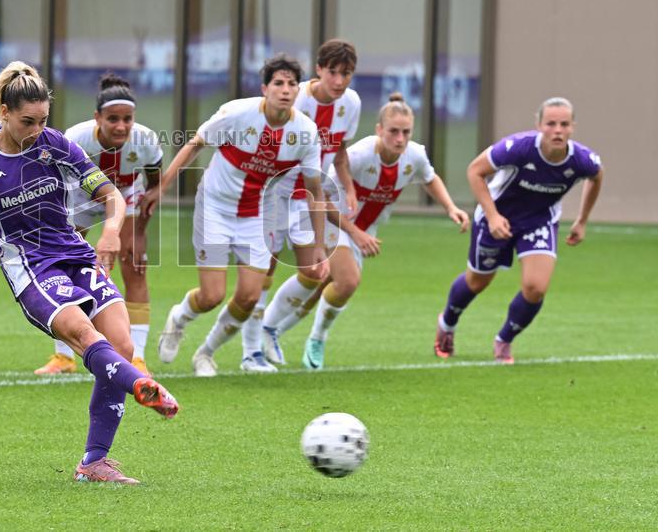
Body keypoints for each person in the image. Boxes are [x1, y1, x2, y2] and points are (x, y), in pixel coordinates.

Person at [0, 61, 179, 484]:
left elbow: (111, 196)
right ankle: (142, 386)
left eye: (43, 120)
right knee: (86, 336)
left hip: (76, 253)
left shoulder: (56, 144)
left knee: (119, 345)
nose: (36, 129)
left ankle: (93, 463)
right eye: (27, 121)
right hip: (30, 267)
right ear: (3, 114)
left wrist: (111, 234)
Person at [141, 54, 326, 377]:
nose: (285, 90)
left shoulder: (306, 133)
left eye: (292, 84)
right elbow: (195, 143)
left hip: (255, 215)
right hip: (214, 209)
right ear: (265, 88)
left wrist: (321, 244)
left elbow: (315, 190)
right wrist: (162, 187)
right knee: (212, 295)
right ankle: (179, 319)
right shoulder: (237, 114)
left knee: (250, 296)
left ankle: (206, 353)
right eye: (278, 83)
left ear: (298, 91)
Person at [263, 93, 470, 370]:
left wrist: (450, 207)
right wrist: (356, 233)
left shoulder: (414, 156)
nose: (400, 138)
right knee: (347, 281)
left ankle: (273, 331)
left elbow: (430, 178)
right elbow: (321, 198)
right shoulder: (359, 156)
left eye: (406, 132)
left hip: (364, 229)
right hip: (333, 221)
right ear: (379, 130)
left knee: (323, 287)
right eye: (393, 131)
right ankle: (311, 337)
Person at [433, 97, 603, 364]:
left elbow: (597, 177)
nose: (557, 130)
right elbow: (475, 171)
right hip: (497, 217)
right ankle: (447, 323)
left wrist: (582, 220)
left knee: (536, 288)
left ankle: (504, 340)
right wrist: (492, 216)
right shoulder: (518, 148)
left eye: (564, 124)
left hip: (538, 222)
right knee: (478, 281)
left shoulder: (583, 160)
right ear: (539, 125)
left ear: (572, 128)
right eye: (550, 124)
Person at [245, 38, 362, 372]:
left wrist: (349, 187)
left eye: (347, 74)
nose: (339, 81)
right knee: (265, 269)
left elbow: (339, 152)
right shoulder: (297, 98)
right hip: (274, 192)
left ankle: (268, 328)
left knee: (315, 271)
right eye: (333, 73)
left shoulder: (350, 104)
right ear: (319, 70)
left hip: (309, 196)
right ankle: (250, 351)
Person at [35, 72, 163, 376]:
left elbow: (155, 174)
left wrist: (155, 193)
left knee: (135, 265)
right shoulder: (74, 138)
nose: (121, 126)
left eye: (127, 119)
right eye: (113, 118)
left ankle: (138, 358)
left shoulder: (145, 139)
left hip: (127, 198)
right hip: (80, 200)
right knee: (64, 267)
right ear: (97, 117)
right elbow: (51, 175)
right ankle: (63, 358)